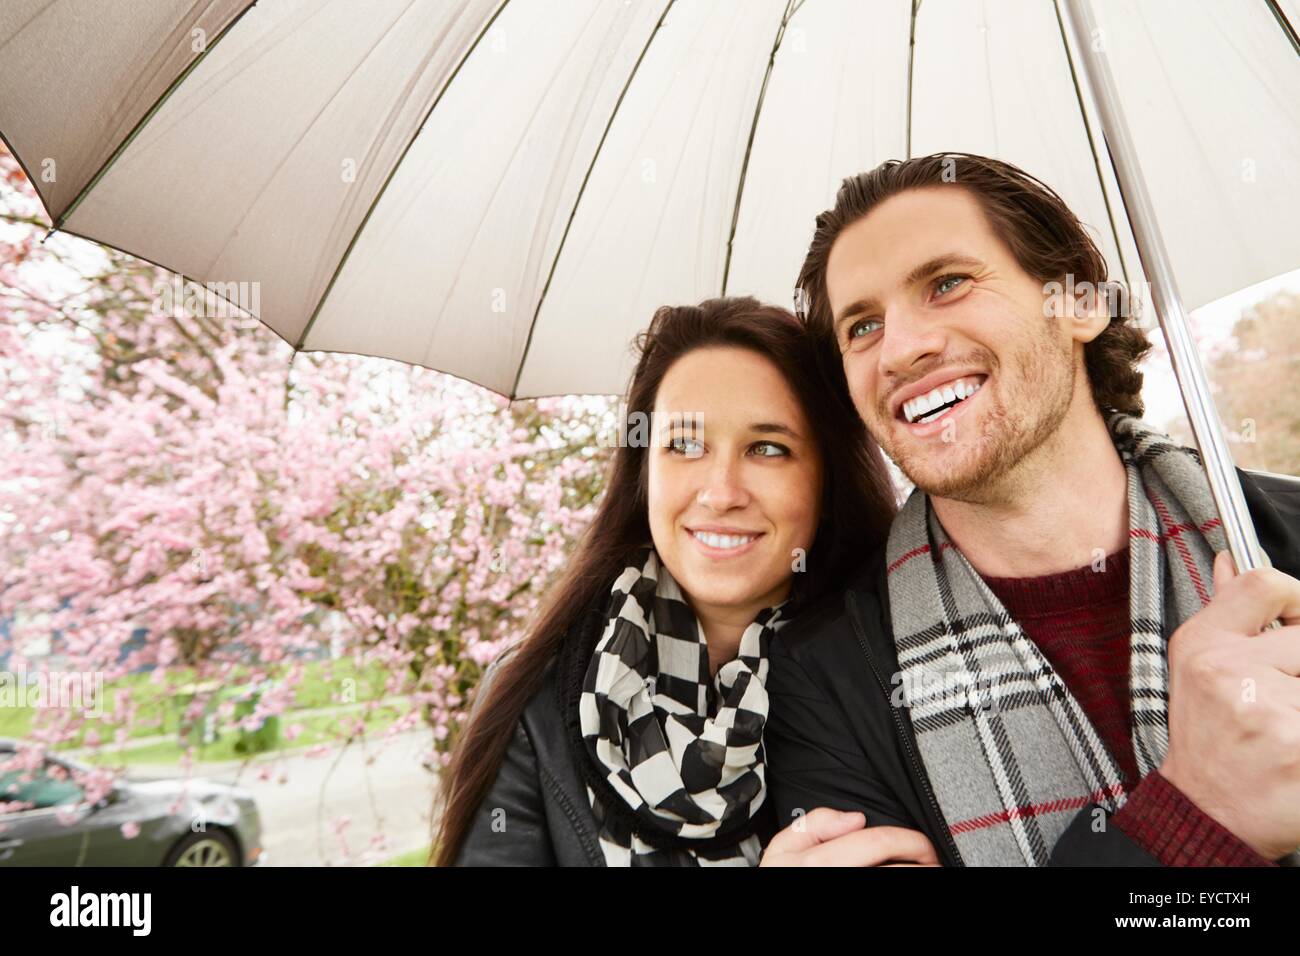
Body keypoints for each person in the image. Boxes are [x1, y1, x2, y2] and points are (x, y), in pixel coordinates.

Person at [762, 152, 1300, 867]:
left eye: (947, 283)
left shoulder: (1281, 542)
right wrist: (1196, 819)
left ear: (1079, 301)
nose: (900, 350)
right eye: (861, 327)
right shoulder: (826, 682)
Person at [433, 296, 897, 866]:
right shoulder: (533, 700)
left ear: (827, 484)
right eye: (685, 445)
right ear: (644, 472)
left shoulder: (887, 681)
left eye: (768, 448)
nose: (722, 491)